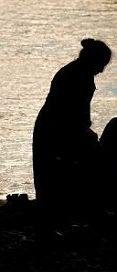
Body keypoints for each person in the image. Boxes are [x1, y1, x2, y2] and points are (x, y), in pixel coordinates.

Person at [32, 39, 111, 227]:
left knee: (55, 175)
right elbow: (70, 111)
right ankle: (55, 224)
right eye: (102, 65)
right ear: (94, 60)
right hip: (56, 130)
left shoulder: (78, 72)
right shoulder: (77, 75)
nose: (101, 71)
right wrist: (83, 132)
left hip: (61, 128)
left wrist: (84, 130)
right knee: (53, 176)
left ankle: (70, 218)